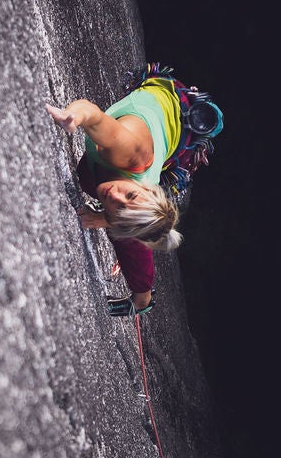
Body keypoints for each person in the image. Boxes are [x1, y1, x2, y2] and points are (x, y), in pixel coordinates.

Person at [47, 76, 185, 317]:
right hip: (170, 104)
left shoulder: (131, 194)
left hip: (167, 138)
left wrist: (106, 218)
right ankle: (144, 297)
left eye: (120, 210)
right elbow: (92, 113)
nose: (115, 197)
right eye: (130, 196)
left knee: (127, 229)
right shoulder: (128, 148)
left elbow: (127, 212)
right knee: (89, 179)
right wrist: (73, 116)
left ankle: (142, 299)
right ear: (145, 188)